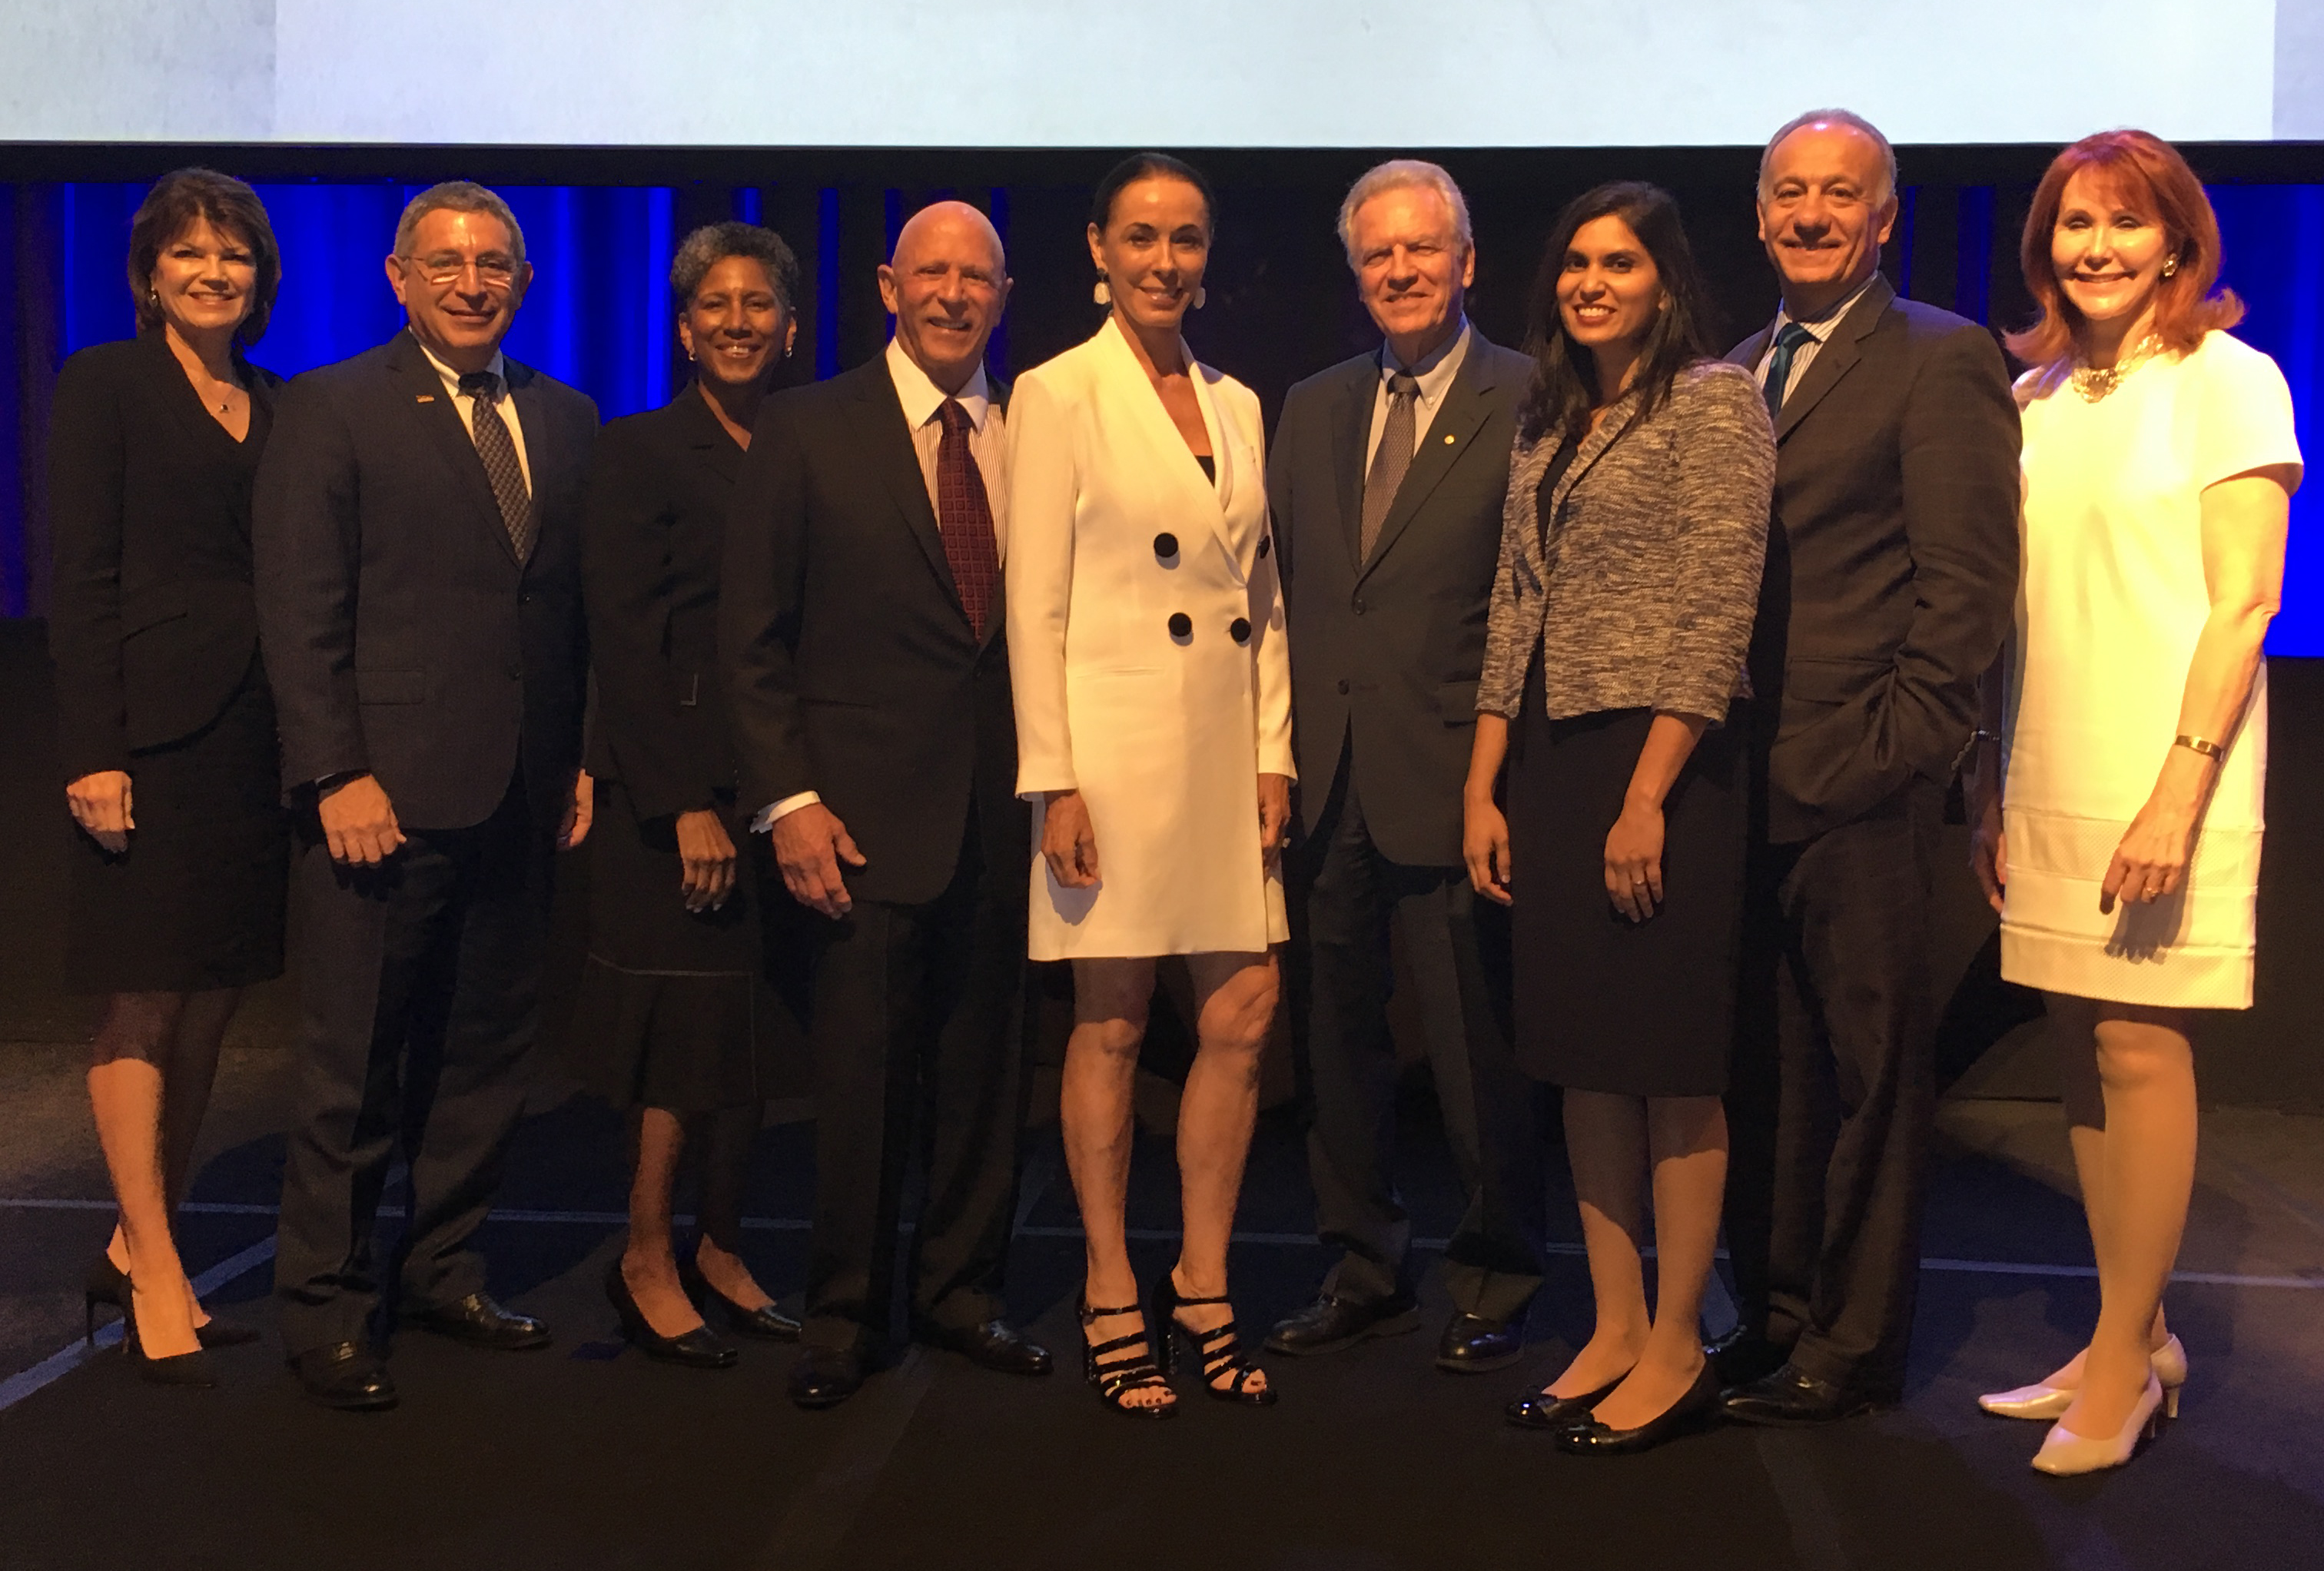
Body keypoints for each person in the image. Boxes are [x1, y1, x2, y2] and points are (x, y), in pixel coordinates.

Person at [1968, 130, 2300, 1476]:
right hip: (2047, 759)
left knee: (2139, 1048)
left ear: (2177, 240)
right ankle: (2134, 1328)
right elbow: (2016, 616)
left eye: (2121, 222)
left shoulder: (2229, 379)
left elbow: (2248, 600)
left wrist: (2178, 788)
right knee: (2076, 1044)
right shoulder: (2038, 394)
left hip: (2170, 766)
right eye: (2071, 224)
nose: (2094, 247)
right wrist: (1992, 789)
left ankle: (2124, 1363)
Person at [254, 181, 599, 1412]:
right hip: (380, 800)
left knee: (486, 1056)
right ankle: (326, 1310)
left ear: (524, 281)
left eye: (495, 262)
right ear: (398, 278)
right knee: (354, 1070)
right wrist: (335, 770)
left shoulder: (564, 419)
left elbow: (568, 615)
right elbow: (302, 613)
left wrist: (583, 759)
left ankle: (444, 1267)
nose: (471, 281)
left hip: (520, 795)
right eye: (445, 262)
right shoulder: (335, 409)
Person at [1715, 110, 2020, 1427]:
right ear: (1760, 211)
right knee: (1767, 1075)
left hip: (1867, 786)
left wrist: (1899, 752)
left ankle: (1853, 1342)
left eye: (1842, 194)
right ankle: (1777, 1313)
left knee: (1874, 1077)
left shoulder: (1943, 358)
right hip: (1742, 786)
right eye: (1790, 192)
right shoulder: (1733, 368)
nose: (1813, 213)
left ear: (1886, 216)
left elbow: (1967, 592)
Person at [722, 200, 1049, 1410]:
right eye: (933, 273)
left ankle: (964, 1297)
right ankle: (842, 1319)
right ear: (886, 285)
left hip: (1001, 819)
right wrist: (788, 802)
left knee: (983, 1082)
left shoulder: (1037, 428)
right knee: (858, 1089)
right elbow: (751, 636)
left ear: (1004, 296)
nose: (955, 294)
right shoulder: (806, 428)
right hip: (853, 826)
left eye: (978, 276)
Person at [1464, 183, 1771, 1454]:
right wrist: (1482, 780)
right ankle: (1613, 1323)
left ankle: (1681, 1342)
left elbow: (1717, 607)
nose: (1592, 282)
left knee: (1668, 1066)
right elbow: (1512, 609)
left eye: (1620, 263)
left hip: (1667, 770)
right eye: (1577, 263)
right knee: (1583, 1060)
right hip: (1552, 762)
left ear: (1665, 280)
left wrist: (1648, 795)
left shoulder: (1714, 402)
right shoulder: (1550, 419)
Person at [1007, 152, 1289, 1418]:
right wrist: (1051, 778)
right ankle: (1112, 1283)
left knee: (1242, 1017)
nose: (1163, 260)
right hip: (1110, 757)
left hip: (1222, 747)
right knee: (1112, 1025)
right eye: (1140, 238)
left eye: (1184, 239)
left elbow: (1263, 598)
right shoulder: (1054, 391)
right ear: (1097, 251)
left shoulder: (1240, 402)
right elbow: (1035, 604)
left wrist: (1274, 748)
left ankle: (1207, 1277)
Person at [1263, 159, 1546, 1376]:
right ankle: (1363, 1264)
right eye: (1378, 255)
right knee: (1335, 1045)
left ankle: (1496, 1269)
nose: (1401, 271)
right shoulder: (1311, 404)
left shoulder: (1533, 397)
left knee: (1477, 1049)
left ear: (1467, 261)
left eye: (1422, 250)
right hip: (1324, 780)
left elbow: (1537, 605)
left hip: (1455, 779)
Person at [48, 169, 289, 1384]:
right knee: (141, 995)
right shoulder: (106, 383)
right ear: (150, 273)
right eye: (190, 252)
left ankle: (142, 1243)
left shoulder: (280, 403)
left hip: (256, 739)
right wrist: (93, 745)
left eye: (235, 252)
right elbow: (78, 576)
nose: (214, 270)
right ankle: (155, 1264)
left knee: (212, 998)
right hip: (144, 736)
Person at [574, 223, 808, 1369]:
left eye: (757, 304)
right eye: (714, 305)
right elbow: (620, 637)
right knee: (677, 1040)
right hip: (675, 803)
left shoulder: (805, 444)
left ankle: (722, 1245)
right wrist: (680, 805)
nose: (736, 323)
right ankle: (647, 1254)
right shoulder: (637, 453)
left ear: (791, 326)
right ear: (682, 330)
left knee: (747, 1039)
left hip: (777, 791)